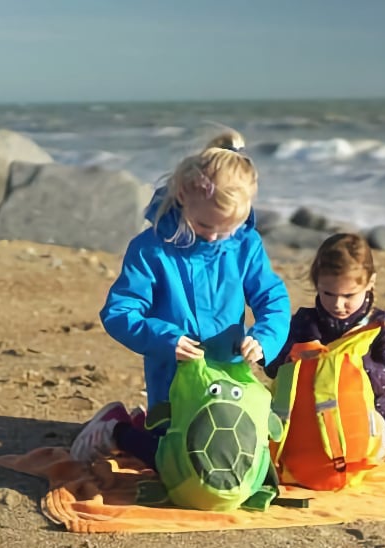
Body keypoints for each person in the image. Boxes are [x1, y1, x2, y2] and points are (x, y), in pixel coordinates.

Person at [70, 129, 290, 467]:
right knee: (179, 463)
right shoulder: (151, 248)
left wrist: (264, 339)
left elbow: (272, 299)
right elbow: (120, 311)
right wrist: (165, 339)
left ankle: (140, 424)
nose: (214, 237)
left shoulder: (245, 244)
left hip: (228, 374)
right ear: (184, 195)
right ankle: (116, 429)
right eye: (204, 225)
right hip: (171, 377)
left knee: (234, 459)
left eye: (227, 229)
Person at [265, 233, 385, 440]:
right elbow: (272, 368)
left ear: (370, 282)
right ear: (316, 284)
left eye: (349, 295)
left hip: (368, 425)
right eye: (328, 294)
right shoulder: (306, 322)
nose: (338, 304)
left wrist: (358, 363)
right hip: (312, 426)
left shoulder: (381, 325)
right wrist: (292, 357)